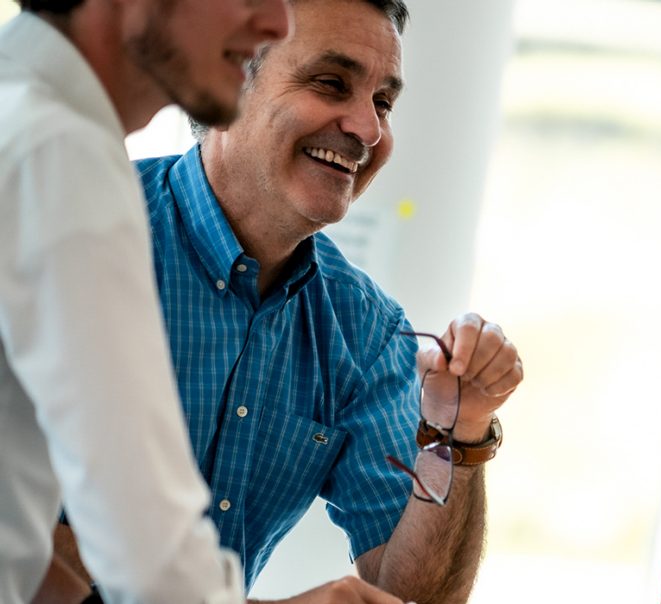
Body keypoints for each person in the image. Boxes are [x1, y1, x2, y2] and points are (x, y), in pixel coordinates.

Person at [43, 0, 524, 601]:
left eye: (383, 102)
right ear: (229, 79)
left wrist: (455, 434)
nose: (368, 129)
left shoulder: (365, 331)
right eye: (331, 83)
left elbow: (416, 595)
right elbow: (24, 546)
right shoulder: (60, 229)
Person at [0, 0, 398, 601]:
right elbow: (150, 557)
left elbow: (14, 540)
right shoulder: (59, 154)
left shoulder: (30, 119)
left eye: (383, 102)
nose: (270, 23)